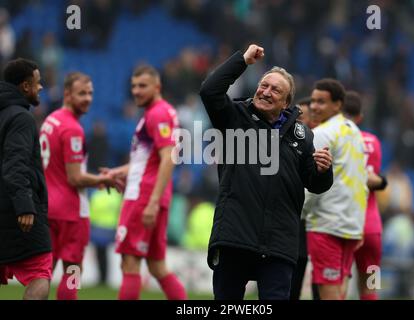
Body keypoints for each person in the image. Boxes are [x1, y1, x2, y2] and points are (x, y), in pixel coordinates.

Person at [199, 44, 333, 300]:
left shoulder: (302, 135)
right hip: (235, 236)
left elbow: (315, 183)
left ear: (286, 102)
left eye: (275, 89)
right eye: (264, 85)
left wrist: (324, 170)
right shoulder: (234, 118)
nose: (266, 92)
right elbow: (209, 90)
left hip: (279, 243)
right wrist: (243, 60)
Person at [102, 65, 187, 300]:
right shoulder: (159, 113)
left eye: (142, 86)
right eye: (134, 86)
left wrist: (152, 202)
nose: (136, 91)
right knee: (157, 267)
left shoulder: (158, 114)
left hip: (143, 197)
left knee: (129, 265)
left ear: (157, 87)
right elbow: (146, 162)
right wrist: (117, 172)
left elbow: (168, 157)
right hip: (152, 195)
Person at [39, 72, 115, 300]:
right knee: (73, 271)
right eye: (82, 93)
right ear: (67, 94)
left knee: (43, 274)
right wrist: (103, 180)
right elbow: (75, 178)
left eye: (90, 93)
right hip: (70, 213)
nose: (88, 98)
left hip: (47, 208)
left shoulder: (50, 121)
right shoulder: (72, 128)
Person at [302, 79, 368, 300]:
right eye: (312, 101)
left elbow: (312, 185)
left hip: (327, 224)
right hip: (351, 224)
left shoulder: (322, 133)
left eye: (321, 102)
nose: (314, 106)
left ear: (338, 105)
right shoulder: (355, 132)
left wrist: (299, 213)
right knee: (340, 290)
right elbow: (363, 180)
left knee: (328, 291)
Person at [0, 58, 52, 299]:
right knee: (39, 271)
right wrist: (25, 205)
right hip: (13, 209)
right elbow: (15, 164)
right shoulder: (21, 118)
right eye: (37, 82)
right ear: (25, 86)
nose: (41, 87)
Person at [343, 90, 388, 300]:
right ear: (360, 116)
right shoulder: (373, 141)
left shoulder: (336, 139)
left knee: (337, 287)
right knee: (371, 286)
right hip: (372, 229)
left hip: (343, 225)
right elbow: (374, 178)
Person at [290, 97, 321, 301]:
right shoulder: (289, 141)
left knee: (321, 278)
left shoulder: (319, 141)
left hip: (316, 221)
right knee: (293, 272)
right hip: (295, 220)